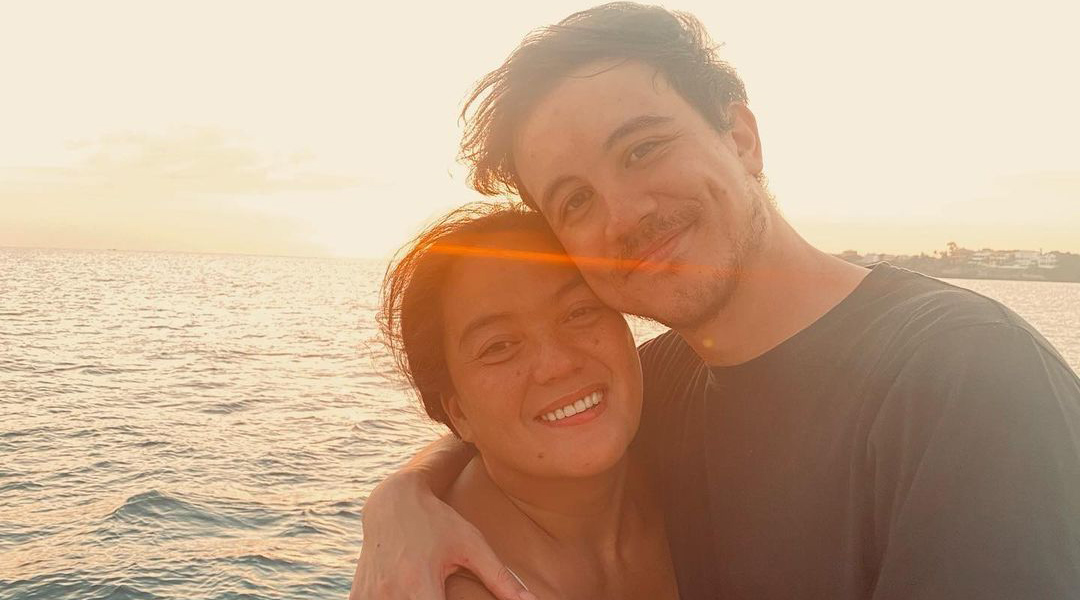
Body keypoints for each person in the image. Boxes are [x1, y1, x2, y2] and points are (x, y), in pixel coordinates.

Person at [352, 3, 1080, 599]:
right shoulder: (661, 386)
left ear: (740, 138)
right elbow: (516, 420)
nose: (624, 215)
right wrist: (400, 501)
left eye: (642, 149)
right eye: (574, 200)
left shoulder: (969, 381)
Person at [374, 203, 678, 600]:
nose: (559, 364)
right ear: (458, 411)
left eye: (580, 312)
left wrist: (403, 489)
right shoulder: (450, 589)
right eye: (499, 346)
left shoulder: (687, 413)